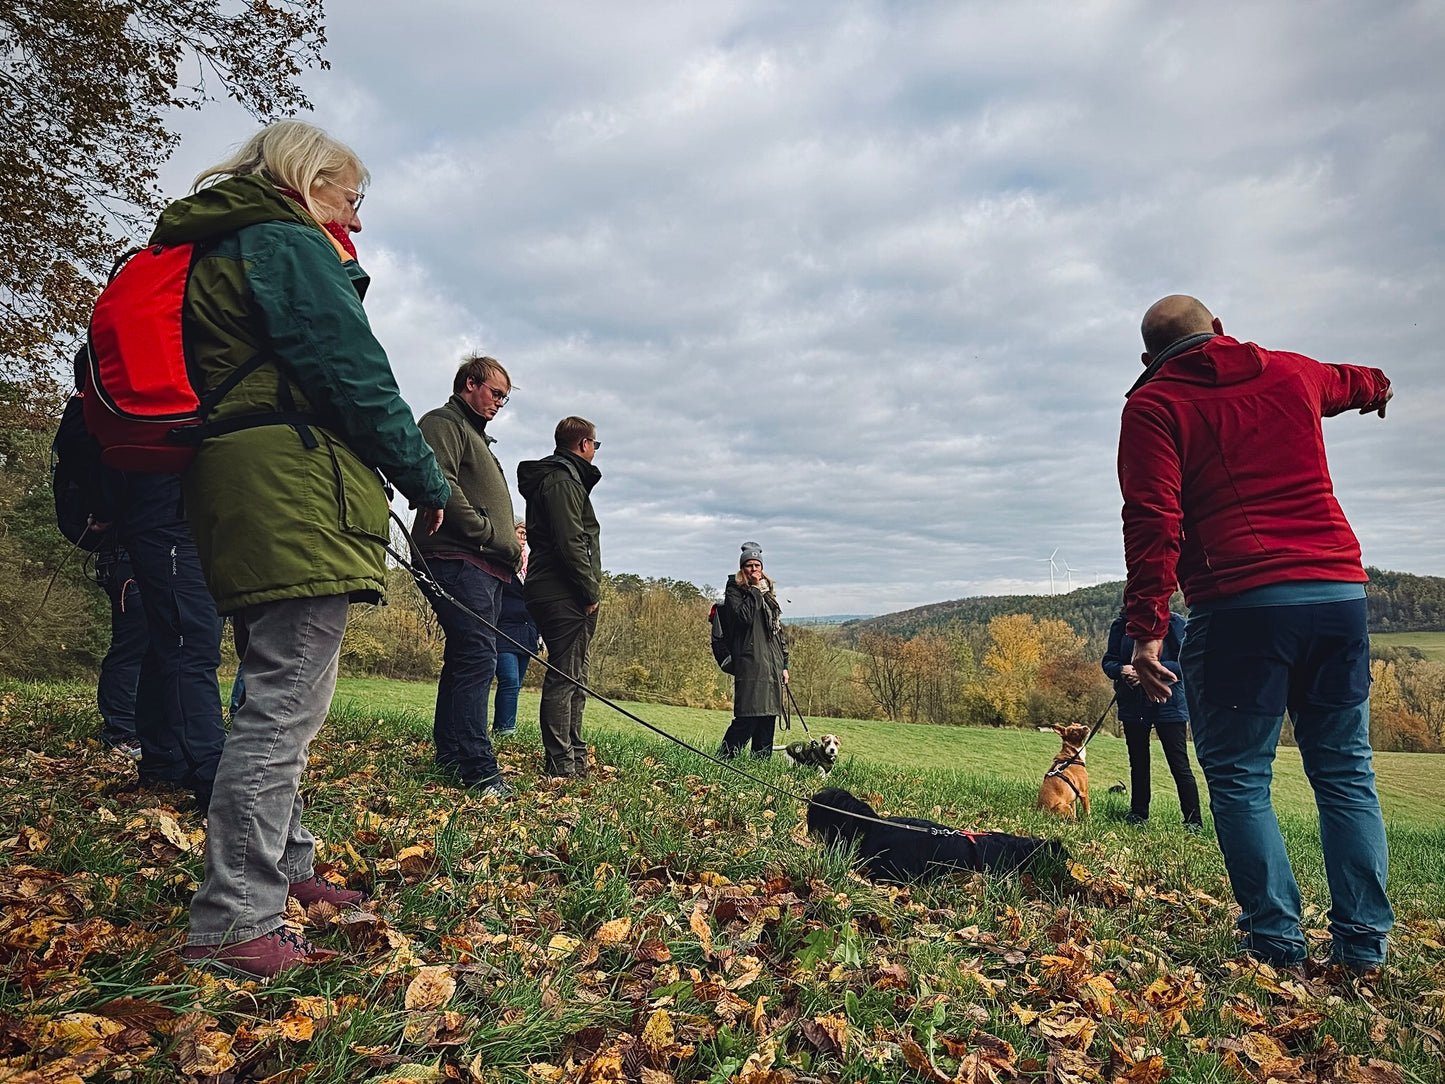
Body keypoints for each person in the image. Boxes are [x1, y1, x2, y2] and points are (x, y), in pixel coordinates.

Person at [168, 120, 450, 978]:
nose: (354, 222)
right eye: (349, 197)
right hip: (288, 485)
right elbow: (353, 371)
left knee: (271, 687)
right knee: (284, 703)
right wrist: (426, 479)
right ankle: (233, 918)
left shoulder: (227, 242)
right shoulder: (286, 244)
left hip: (252, 484)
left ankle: (283, 868)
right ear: (305, 177)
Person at [1118, 294, 1394, 972]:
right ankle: (1362, 948)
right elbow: (1357, 379)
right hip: (1338, 596)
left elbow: (1153, 521)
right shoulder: (1293, 372)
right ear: (1217, 330)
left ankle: (1274, 942)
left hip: (1242, 608)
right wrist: (1376, 389)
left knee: (1240, 777)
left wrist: (1146, 632)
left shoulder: (1152, 405)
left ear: (1148, 359)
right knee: (1345, 772)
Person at [412, 356, 523, 795]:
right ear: (469, 384)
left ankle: (452, 755)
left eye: (505, 398)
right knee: (478, 658)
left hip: (485, 564)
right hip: (457, 557)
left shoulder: (478, 436)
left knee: (466, 657)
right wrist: (489, 533)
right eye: (495, 393)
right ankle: (480, 770)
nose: (499, 403)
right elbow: (441, 482)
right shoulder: (443, 422)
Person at [517, 417, 602, 779]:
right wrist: (589, 590)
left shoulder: (561, 479)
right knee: (564, 677)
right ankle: (561, 765)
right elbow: (571, 542)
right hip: (562, 591)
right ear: (583, 444)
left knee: (574, 676)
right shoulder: (563, 481)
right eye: (595, 445)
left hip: (554, 588)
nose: (595, 452)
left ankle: (575, 758)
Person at [1101, 607, 1201, 830]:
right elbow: (1108, 661)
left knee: (1179, 763)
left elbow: (1186, 662)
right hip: (1132, 703)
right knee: (1138, 762)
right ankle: (1138, 815)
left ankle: (1193, 821)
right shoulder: (1122, 625)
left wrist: (1149, 670)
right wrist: (1123, 669)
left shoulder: (1175, 623)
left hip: (1169, 703)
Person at [719, 542, 789, 758]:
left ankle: (760, 765)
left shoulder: (769, 596)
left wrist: (784, 665)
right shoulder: (735, 591)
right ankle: (724, 758)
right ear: (742, 568)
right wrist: (755, 591)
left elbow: (778, 634)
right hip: (750, 663)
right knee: (748, 717)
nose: (753, 570)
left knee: (768, 718)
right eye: (749, 565)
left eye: (757, 565)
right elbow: (744, 617)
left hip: (772, 665)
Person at [494, 518, 539, 738]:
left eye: (525, 534)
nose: (523, 537)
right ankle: (504, 730)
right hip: (503, 629)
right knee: (509, 679)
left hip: (527, 631)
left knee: (516, 683)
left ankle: (505, 725)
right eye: (520, 532)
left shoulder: (531, 566)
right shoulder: (502, 560)